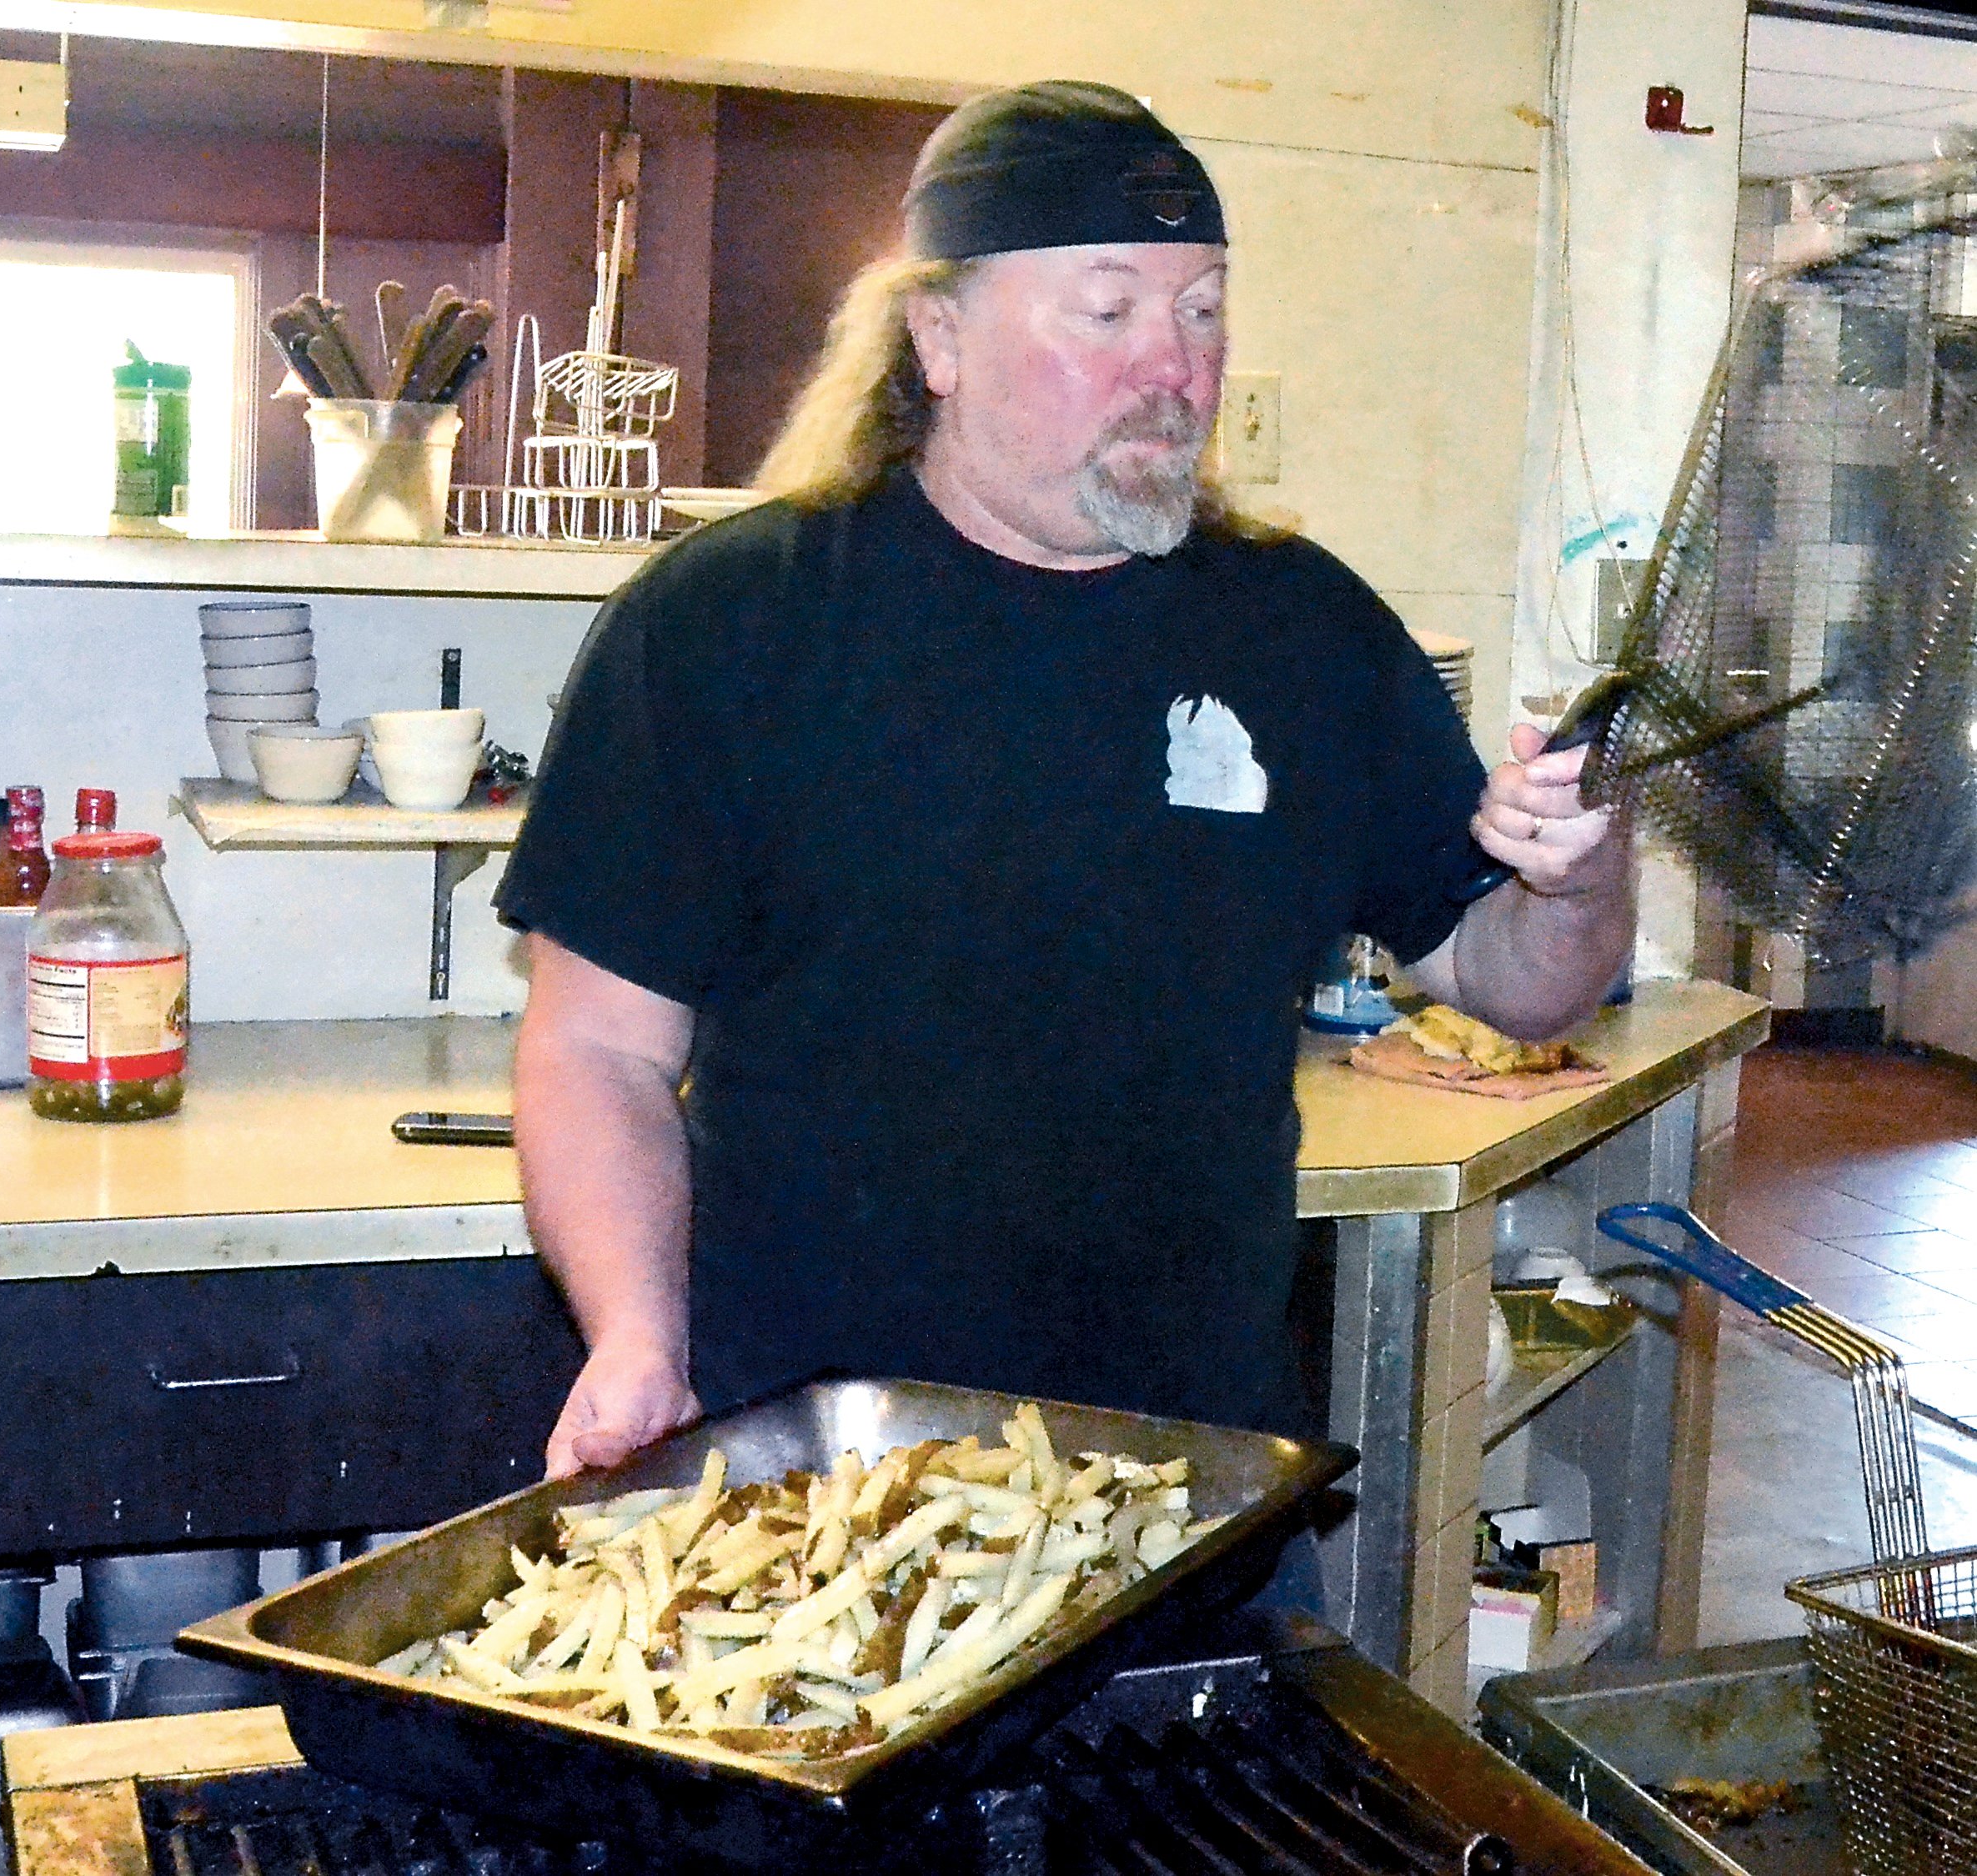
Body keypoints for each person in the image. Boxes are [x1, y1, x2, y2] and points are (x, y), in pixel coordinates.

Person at [495, 81, 1633, 1486]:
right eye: (1109, 312)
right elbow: (594, 1049)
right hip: (813, 1478)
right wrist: (633, 1339)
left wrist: (1579, 873)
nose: (1176, 364)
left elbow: (1517, 980)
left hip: (1188, 1483)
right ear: (940, 336)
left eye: (1203, 309)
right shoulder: (730, 624)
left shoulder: (1304, 632)